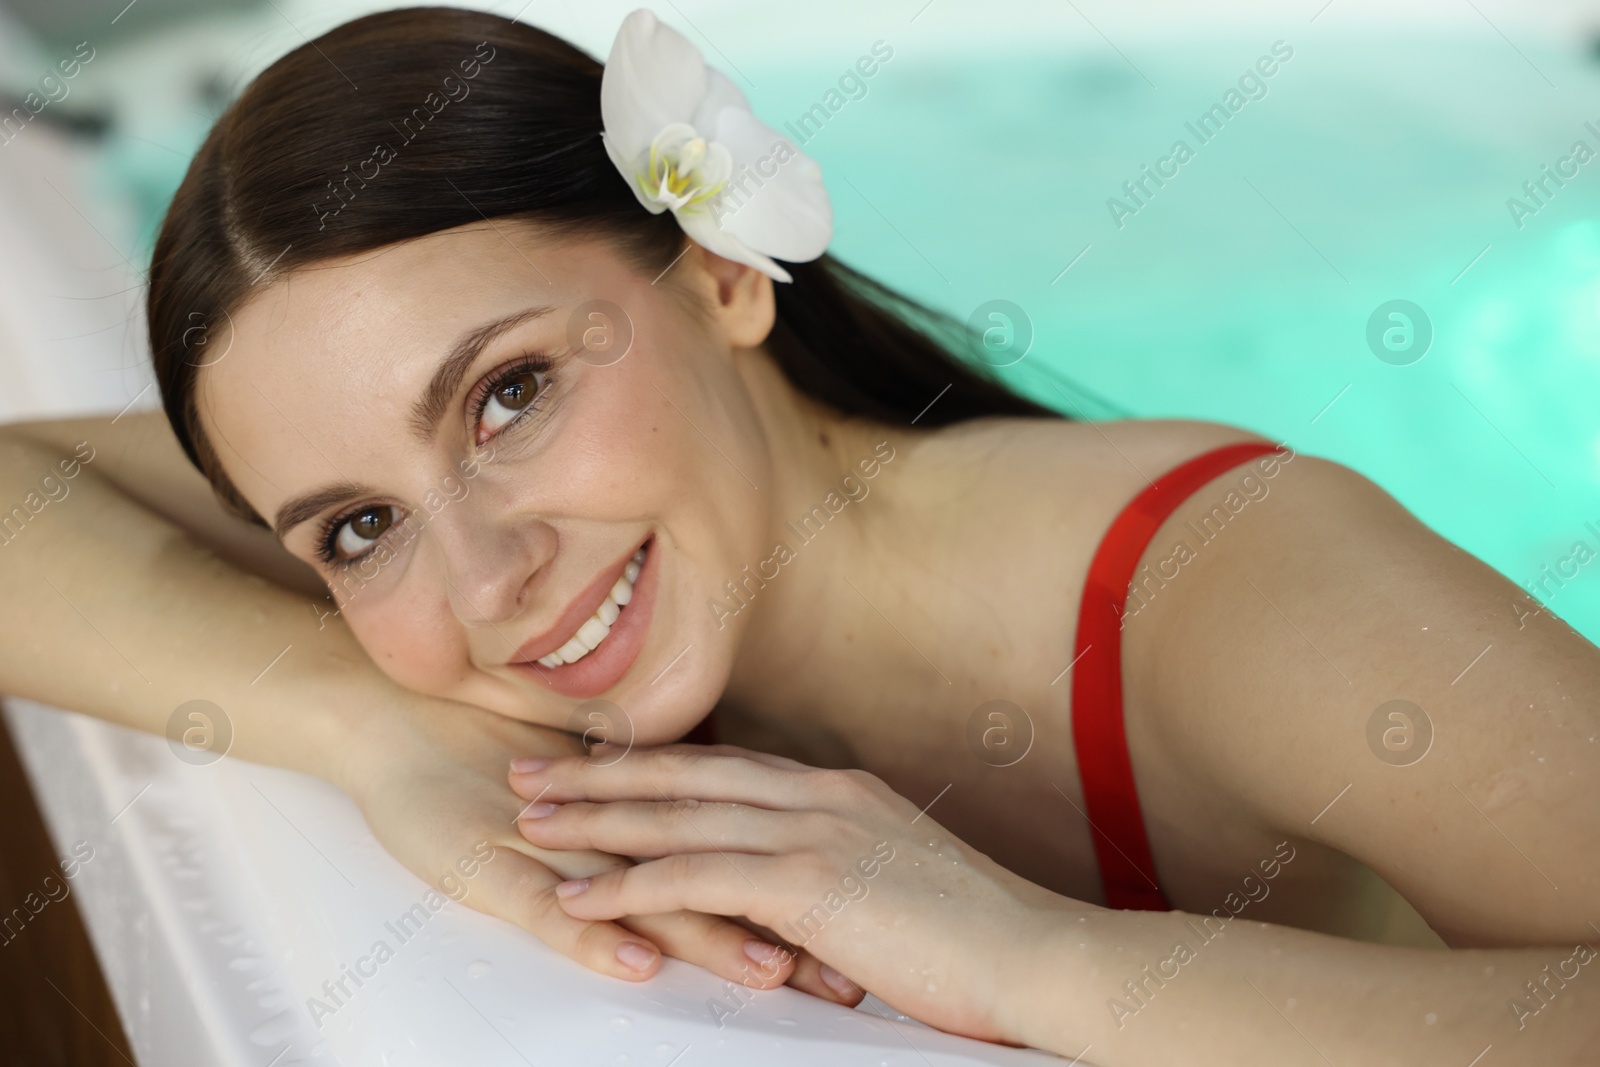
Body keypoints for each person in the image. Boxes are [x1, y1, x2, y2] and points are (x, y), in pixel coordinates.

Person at [1, 7, 1594, 1063]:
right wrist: (367, 732)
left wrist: (1037, 963)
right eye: (355, 528)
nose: (487, 583)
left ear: (720, 277)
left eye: (508, 398)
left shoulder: (1229, 586)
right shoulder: (479, 615)